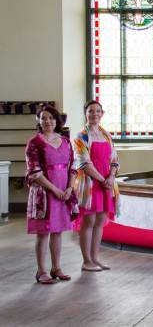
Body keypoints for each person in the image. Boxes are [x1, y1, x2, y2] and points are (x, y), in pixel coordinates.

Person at [25, 105, 77, 284]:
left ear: (57, 121)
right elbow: (34, 172)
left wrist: (69, 189)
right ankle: (41, 271)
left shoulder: (66, 141)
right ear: (38, 121)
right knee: (43, 232)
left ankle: (56, 268)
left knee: (58, 231)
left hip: (64, 190)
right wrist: (55, 190)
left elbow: (73, 166)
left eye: (51, 118)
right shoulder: (34, 143)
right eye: (43, 118)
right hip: (44, 193)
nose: (47, 121)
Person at [72, 100, 120, 272]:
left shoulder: (106, 135)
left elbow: (114, 159)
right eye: (91, 111)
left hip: (107, 183)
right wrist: (102, 180)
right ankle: (86, 261)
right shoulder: (81, 136)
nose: (94, 114)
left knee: (100, 220)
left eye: (98, 111)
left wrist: (111, 177)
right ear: (85, 113)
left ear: (102, 113)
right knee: (89, 221)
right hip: (90, 184)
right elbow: (84, 163)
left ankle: (95, 258)